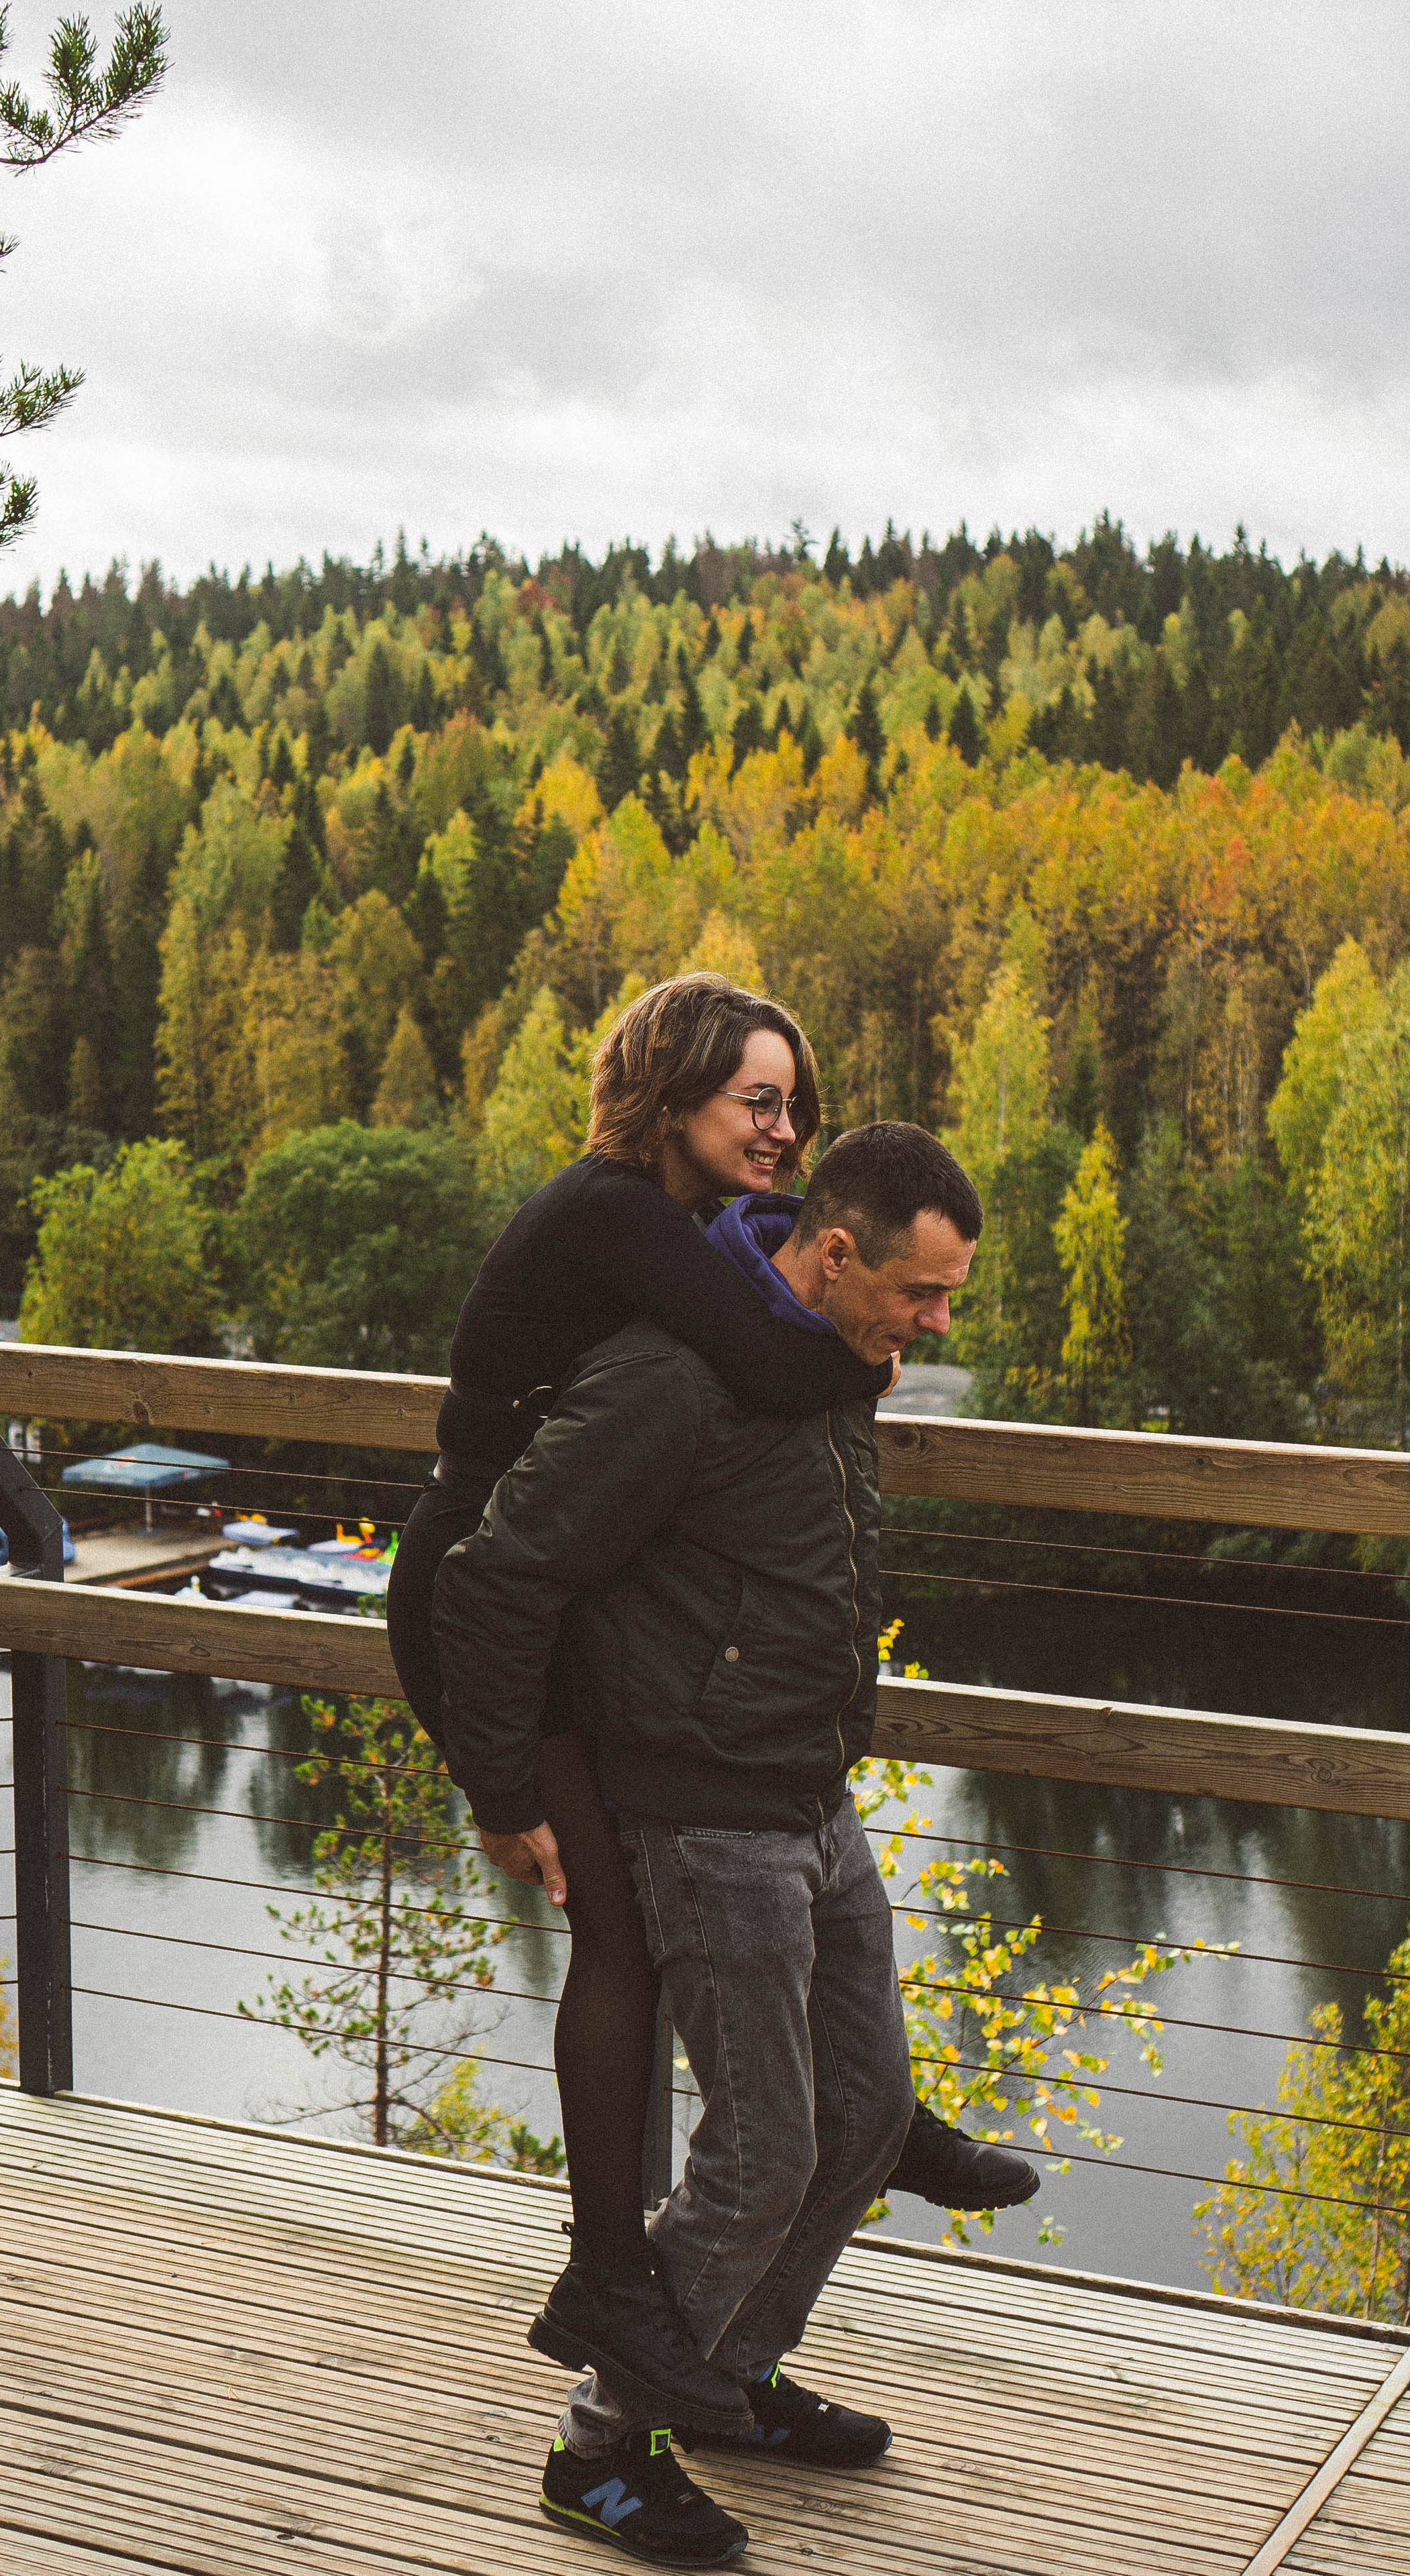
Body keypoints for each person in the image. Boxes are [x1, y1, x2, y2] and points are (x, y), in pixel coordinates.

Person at [433, 1124, 996, 2567]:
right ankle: (605, 2444)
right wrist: (505, 1795)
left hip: (811, 1796)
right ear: (829, 1254)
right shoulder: (672, 1378)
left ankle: (728, 2373)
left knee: (864, 2115)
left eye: (947, 1300)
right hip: (701, 1813)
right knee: (760, 2149)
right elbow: (496, 1578)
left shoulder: (821, 1369)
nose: (933, 1328)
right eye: (918, 1296)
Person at [387, 973, 897, 2435]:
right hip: (482, 1591)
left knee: (627, 1942)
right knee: (615, 1935)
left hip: (540, 1585)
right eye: (756, 1098)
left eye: (793, 1102)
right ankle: (610, 2278)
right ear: (670, 1093)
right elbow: (757, 1360)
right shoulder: (615, 1208)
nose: (783, 1127)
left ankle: (654, 2278)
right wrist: (500, 1792)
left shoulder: (661, 1225)